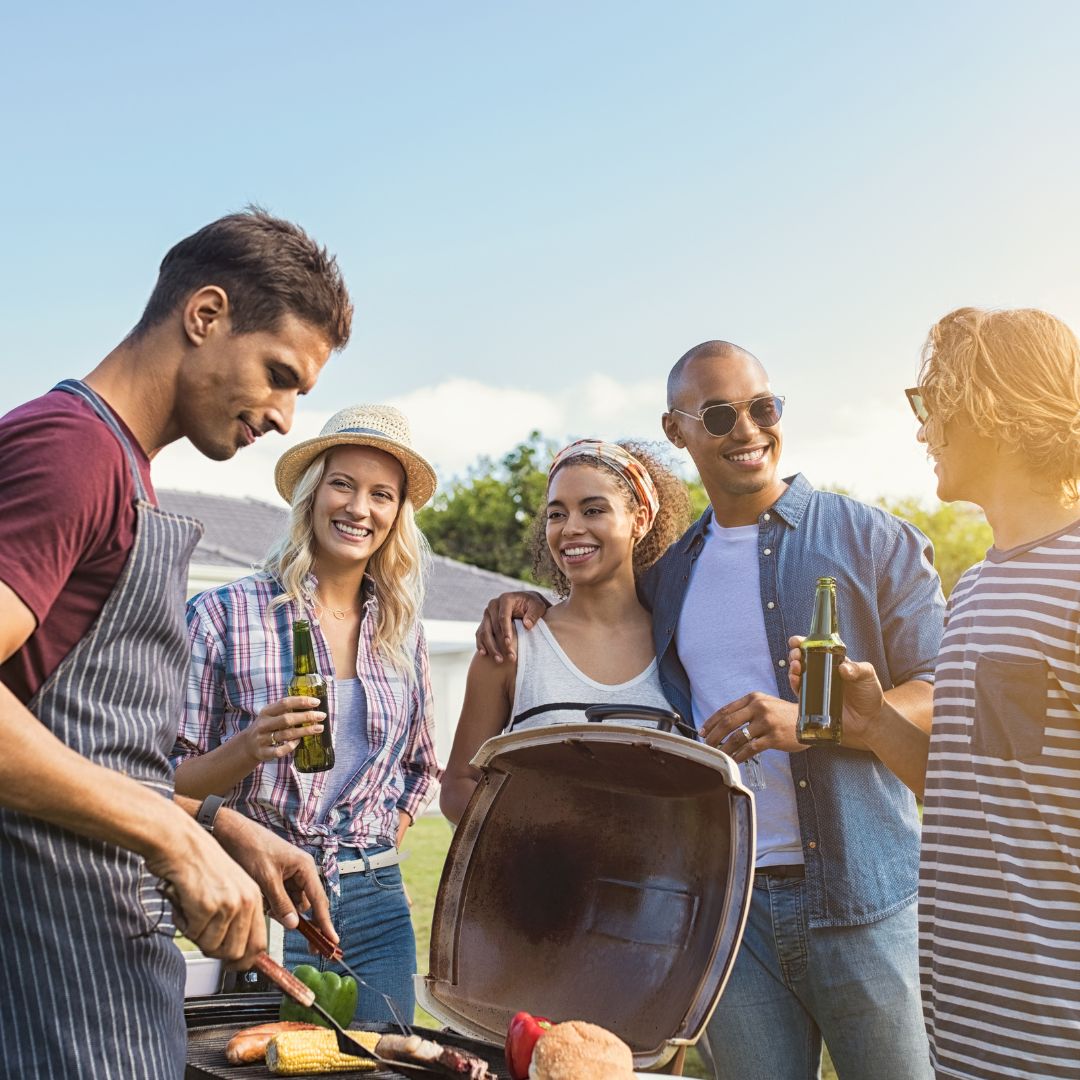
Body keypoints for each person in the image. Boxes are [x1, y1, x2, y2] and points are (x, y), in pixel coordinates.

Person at [477, 341, 945, 1080]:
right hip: (729, 917)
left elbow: (939, 692)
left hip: (865, 904)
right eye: (721, 415)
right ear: (678, 430)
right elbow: (601, 614)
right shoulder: (670, 577)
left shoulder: (871, 539)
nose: (748, 431)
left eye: (764, 408)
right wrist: (528, 603)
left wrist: (820, 723)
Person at [0, 209, 351, 1079]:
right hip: (50, 976)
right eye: (278, 374)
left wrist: (212, 822)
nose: (282, 416)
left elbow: (76, 734)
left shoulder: (123, 466)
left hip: (104, 954)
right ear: (204, 315)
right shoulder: (71, 452)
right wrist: (173, 841)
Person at [788, 308, 1080, 1080]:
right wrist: (878, 725)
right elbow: (977, 789)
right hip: (969, 1032)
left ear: (993, 406)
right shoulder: (980, 585)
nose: (922, 432)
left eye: (932, 403)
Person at [173, 404, 442, 1023]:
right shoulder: (225, 615)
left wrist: (371, 847)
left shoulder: (403, 633)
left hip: (377, 911)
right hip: (261, 897)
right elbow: (163, 777)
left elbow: (422, 768)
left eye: (382, 494)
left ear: (398, 514)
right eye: (342, 484)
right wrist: (248, 747)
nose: (359, 508)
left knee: (383, 1064)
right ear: (311, 492)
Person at [440, 439, 690, 825]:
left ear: (639, 520)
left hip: (654, 883)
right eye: (557, 515)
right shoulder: (512, 644)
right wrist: (543, 833)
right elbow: (458, 784)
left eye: (593, 510)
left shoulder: (681, 645)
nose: (571, 528)